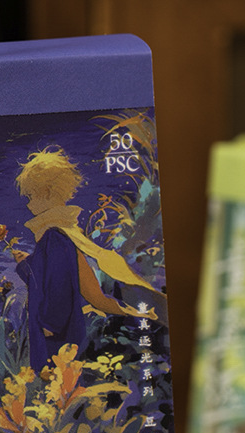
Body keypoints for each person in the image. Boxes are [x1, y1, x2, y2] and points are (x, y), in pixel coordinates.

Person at [10, 145, 167, 373]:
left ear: (47, 192)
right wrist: (27, 263)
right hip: (65, 331)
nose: (28, 203)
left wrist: (48, 324)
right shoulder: (67, 233)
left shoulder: (53, 236)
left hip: (55, 335)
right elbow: (59, 275)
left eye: (31, 195)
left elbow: (57, 286)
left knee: (58, 382)